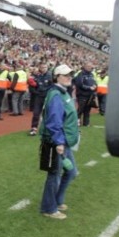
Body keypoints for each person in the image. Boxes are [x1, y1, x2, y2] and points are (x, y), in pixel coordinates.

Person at [39, 64, 79, 220]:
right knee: (54, 175)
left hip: (64, 140)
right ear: (56, 77)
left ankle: (57, 200)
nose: (69, 77)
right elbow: (53, 121)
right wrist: (59, 143)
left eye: (70, 74)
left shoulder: (63, 93)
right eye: (65, 75)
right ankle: (49, 208)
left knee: (71, 172)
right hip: (56, 142)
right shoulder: (56, 94)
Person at [29, 63, 52, 136]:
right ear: (40, 68)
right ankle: (34, 128)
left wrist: (47, 92)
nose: (44, 69)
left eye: (45, 67)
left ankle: (48, 128)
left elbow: (52, 87)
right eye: (42, 67)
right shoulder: (37, 76)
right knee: (36, 113)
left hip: (47, 97)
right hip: (39, 97)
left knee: (48, 113)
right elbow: (32, 85)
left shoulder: (50, 76)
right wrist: (36, 92)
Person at [73, 61, 97, 126]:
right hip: (82, 95)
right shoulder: (81, 74)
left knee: (87, 110)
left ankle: (86, 123)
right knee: (80, 109)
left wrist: (95, 86)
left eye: (90, 66)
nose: (90, 68)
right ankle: (77, 122)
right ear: (84, 66)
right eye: (88, 66)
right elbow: (79, 84)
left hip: (90, 95)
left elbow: (94, 82)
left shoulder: (92, 74)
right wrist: (89, 88)